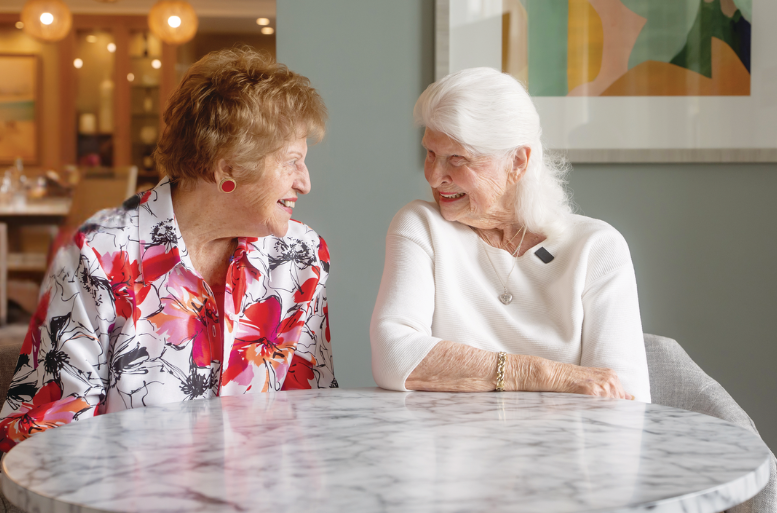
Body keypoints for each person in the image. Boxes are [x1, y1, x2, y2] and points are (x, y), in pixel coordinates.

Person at [0, 47, 336, 452]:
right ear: (228, 167)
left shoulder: (301, 256)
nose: (305, 183)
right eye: (292, 161)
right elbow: (53, 438)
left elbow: (310, 412)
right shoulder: (98, 255)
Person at [370, 67, 650, 401]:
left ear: (517, 161)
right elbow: (393, 355)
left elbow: (624, 396)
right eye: (430, 153)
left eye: (456, 159)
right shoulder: (422, 226)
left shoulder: (597, 248)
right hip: (450, 436)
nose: (433, 176)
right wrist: (541, 374)